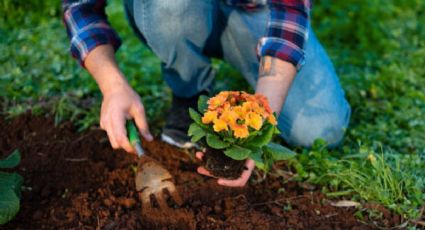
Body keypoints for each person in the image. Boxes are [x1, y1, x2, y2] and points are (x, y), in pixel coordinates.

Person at [62, 0, 351, 187]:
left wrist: (256, 122)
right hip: (170, 11)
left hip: (255, 12)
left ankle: (242, 63)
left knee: (319, 129)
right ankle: (190, 90)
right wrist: (112, 85)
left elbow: (289, 10)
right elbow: (80, 6)